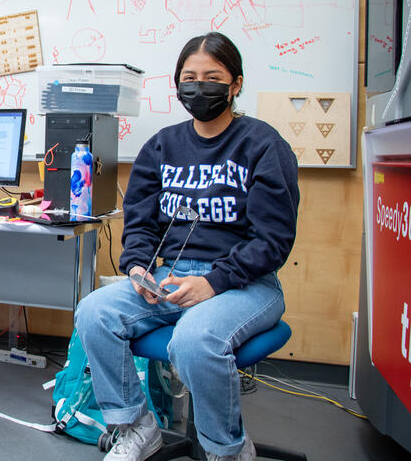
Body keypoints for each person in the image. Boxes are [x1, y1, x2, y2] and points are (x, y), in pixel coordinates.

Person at [75, 32, 300, 461]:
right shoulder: (162, 146)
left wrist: (213, 282)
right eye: (189, 78)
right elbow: (141, 221)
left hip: (247, 285)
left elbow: (273, 240)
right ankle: (136, 428)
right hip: (171, 278)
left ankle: (227, 450)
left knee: (193, 340)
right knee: (95, 311)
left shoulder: (264, 146)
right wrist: (139, 268)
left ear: (235, 85)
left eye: (212, 77)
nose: (199, 87)